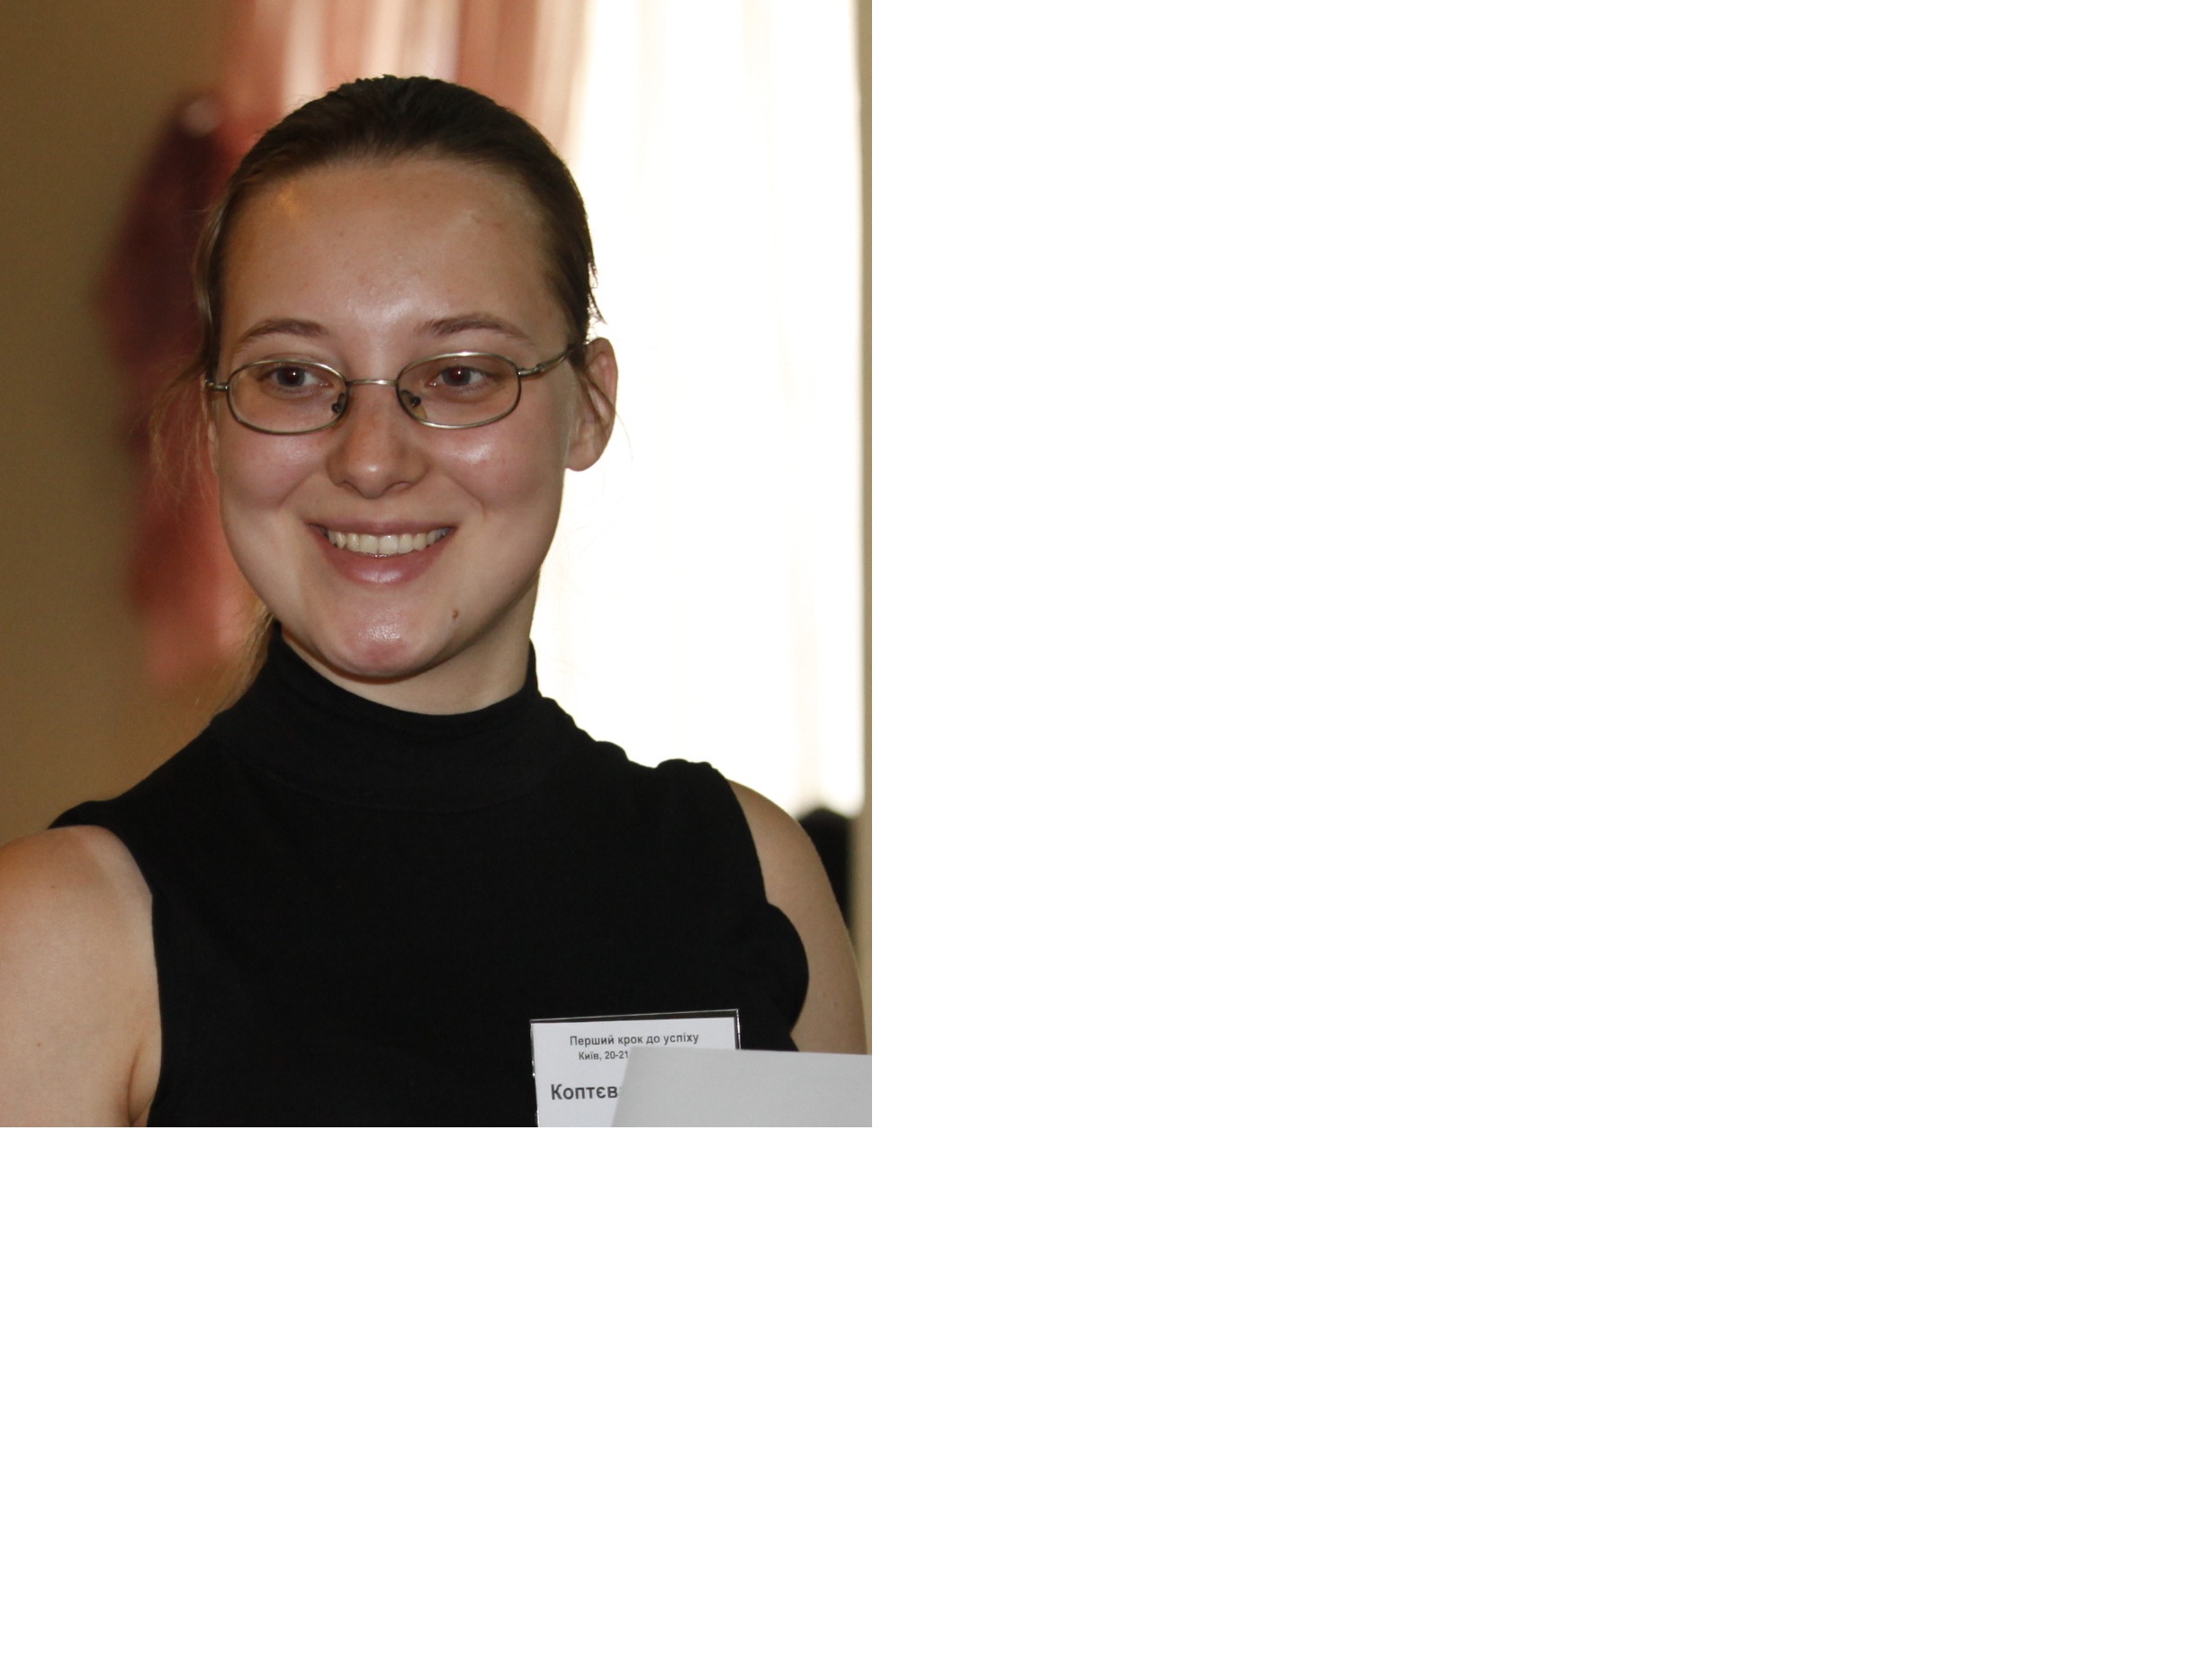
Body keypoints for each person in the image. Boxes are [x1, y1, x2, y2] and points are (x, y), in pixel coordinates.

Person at [0, 76, 866, 1125]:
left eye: (459, 374)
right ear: (216, 421)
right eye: (292, 376)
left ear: (590, 406)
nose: (371, 460)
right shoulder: (61, 932)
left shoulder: (752, 874)